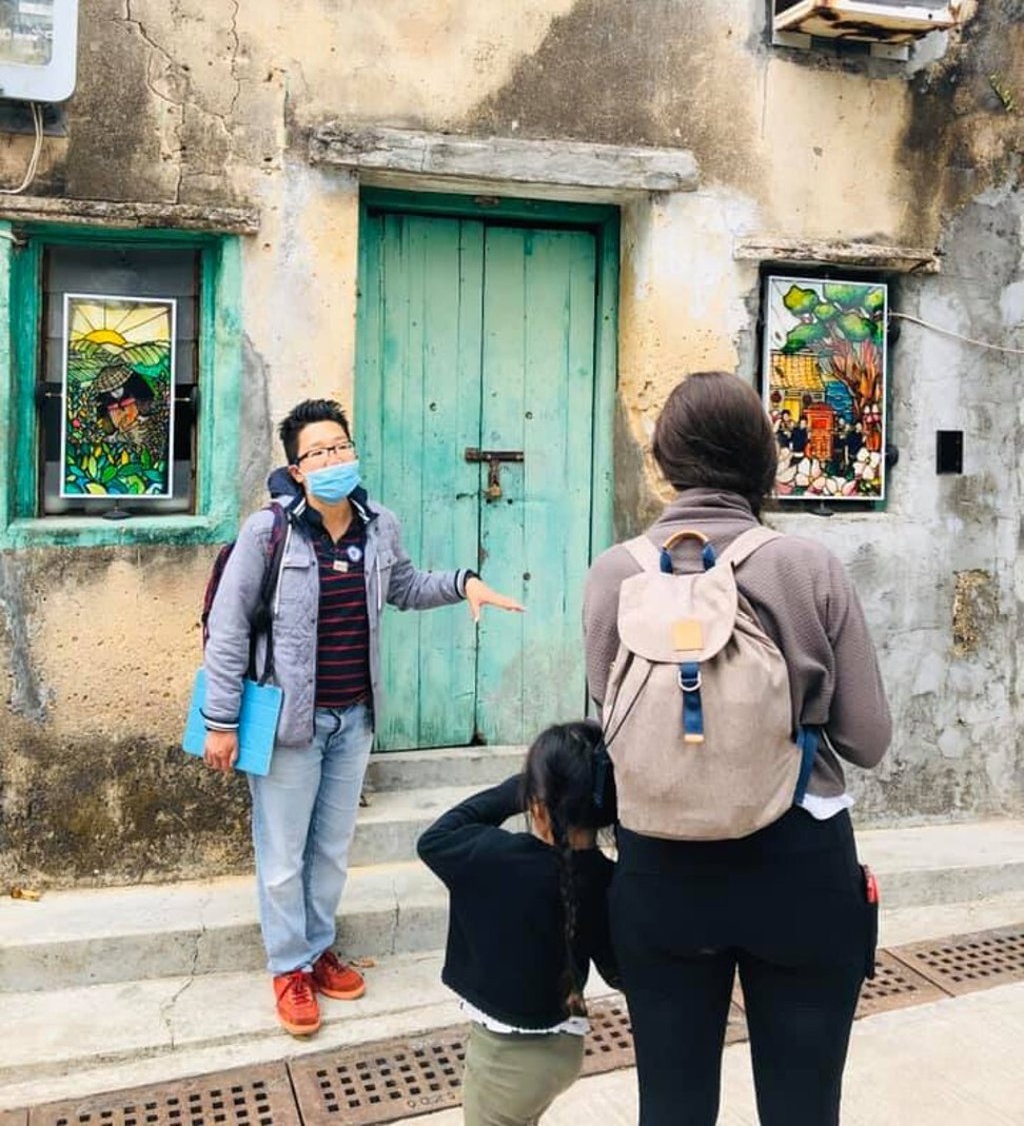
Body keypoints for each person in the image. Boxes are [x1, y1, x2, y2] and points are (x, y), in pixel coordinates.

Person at [583, 372, 891, 1126]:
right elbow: (867, 737)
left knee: (674, 1104)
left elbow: (607, 709)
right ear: (763, 459)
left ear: (664, 461)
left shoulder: (615, 573)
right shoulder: (807, 566)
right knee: (802, 1104)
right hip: (800, 862)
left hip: (660, 870)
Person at [202, 399, 523, 1037]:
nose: (331, 459)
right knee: (284, 853)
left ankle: (318, 950)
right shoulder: (268, 533)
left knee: (331, 849)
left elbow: (403, 586)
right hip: (290, 723)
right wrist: (220, 719)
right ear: (296, 470)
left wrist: (463, 585)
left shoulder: (379, 525)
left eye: (339, 446)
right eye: (316, 452)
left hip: (354, 718)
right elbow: (229, 626)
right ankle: (288, 967)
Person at [417, 721, 619, 1126]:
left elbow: (434, 840)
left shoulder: (495, 858)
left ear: (537, 806)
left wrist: (517, 788)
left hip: (505, 1059)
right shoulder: (605, 879)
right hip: (564, 1046)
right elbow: (617, 971)